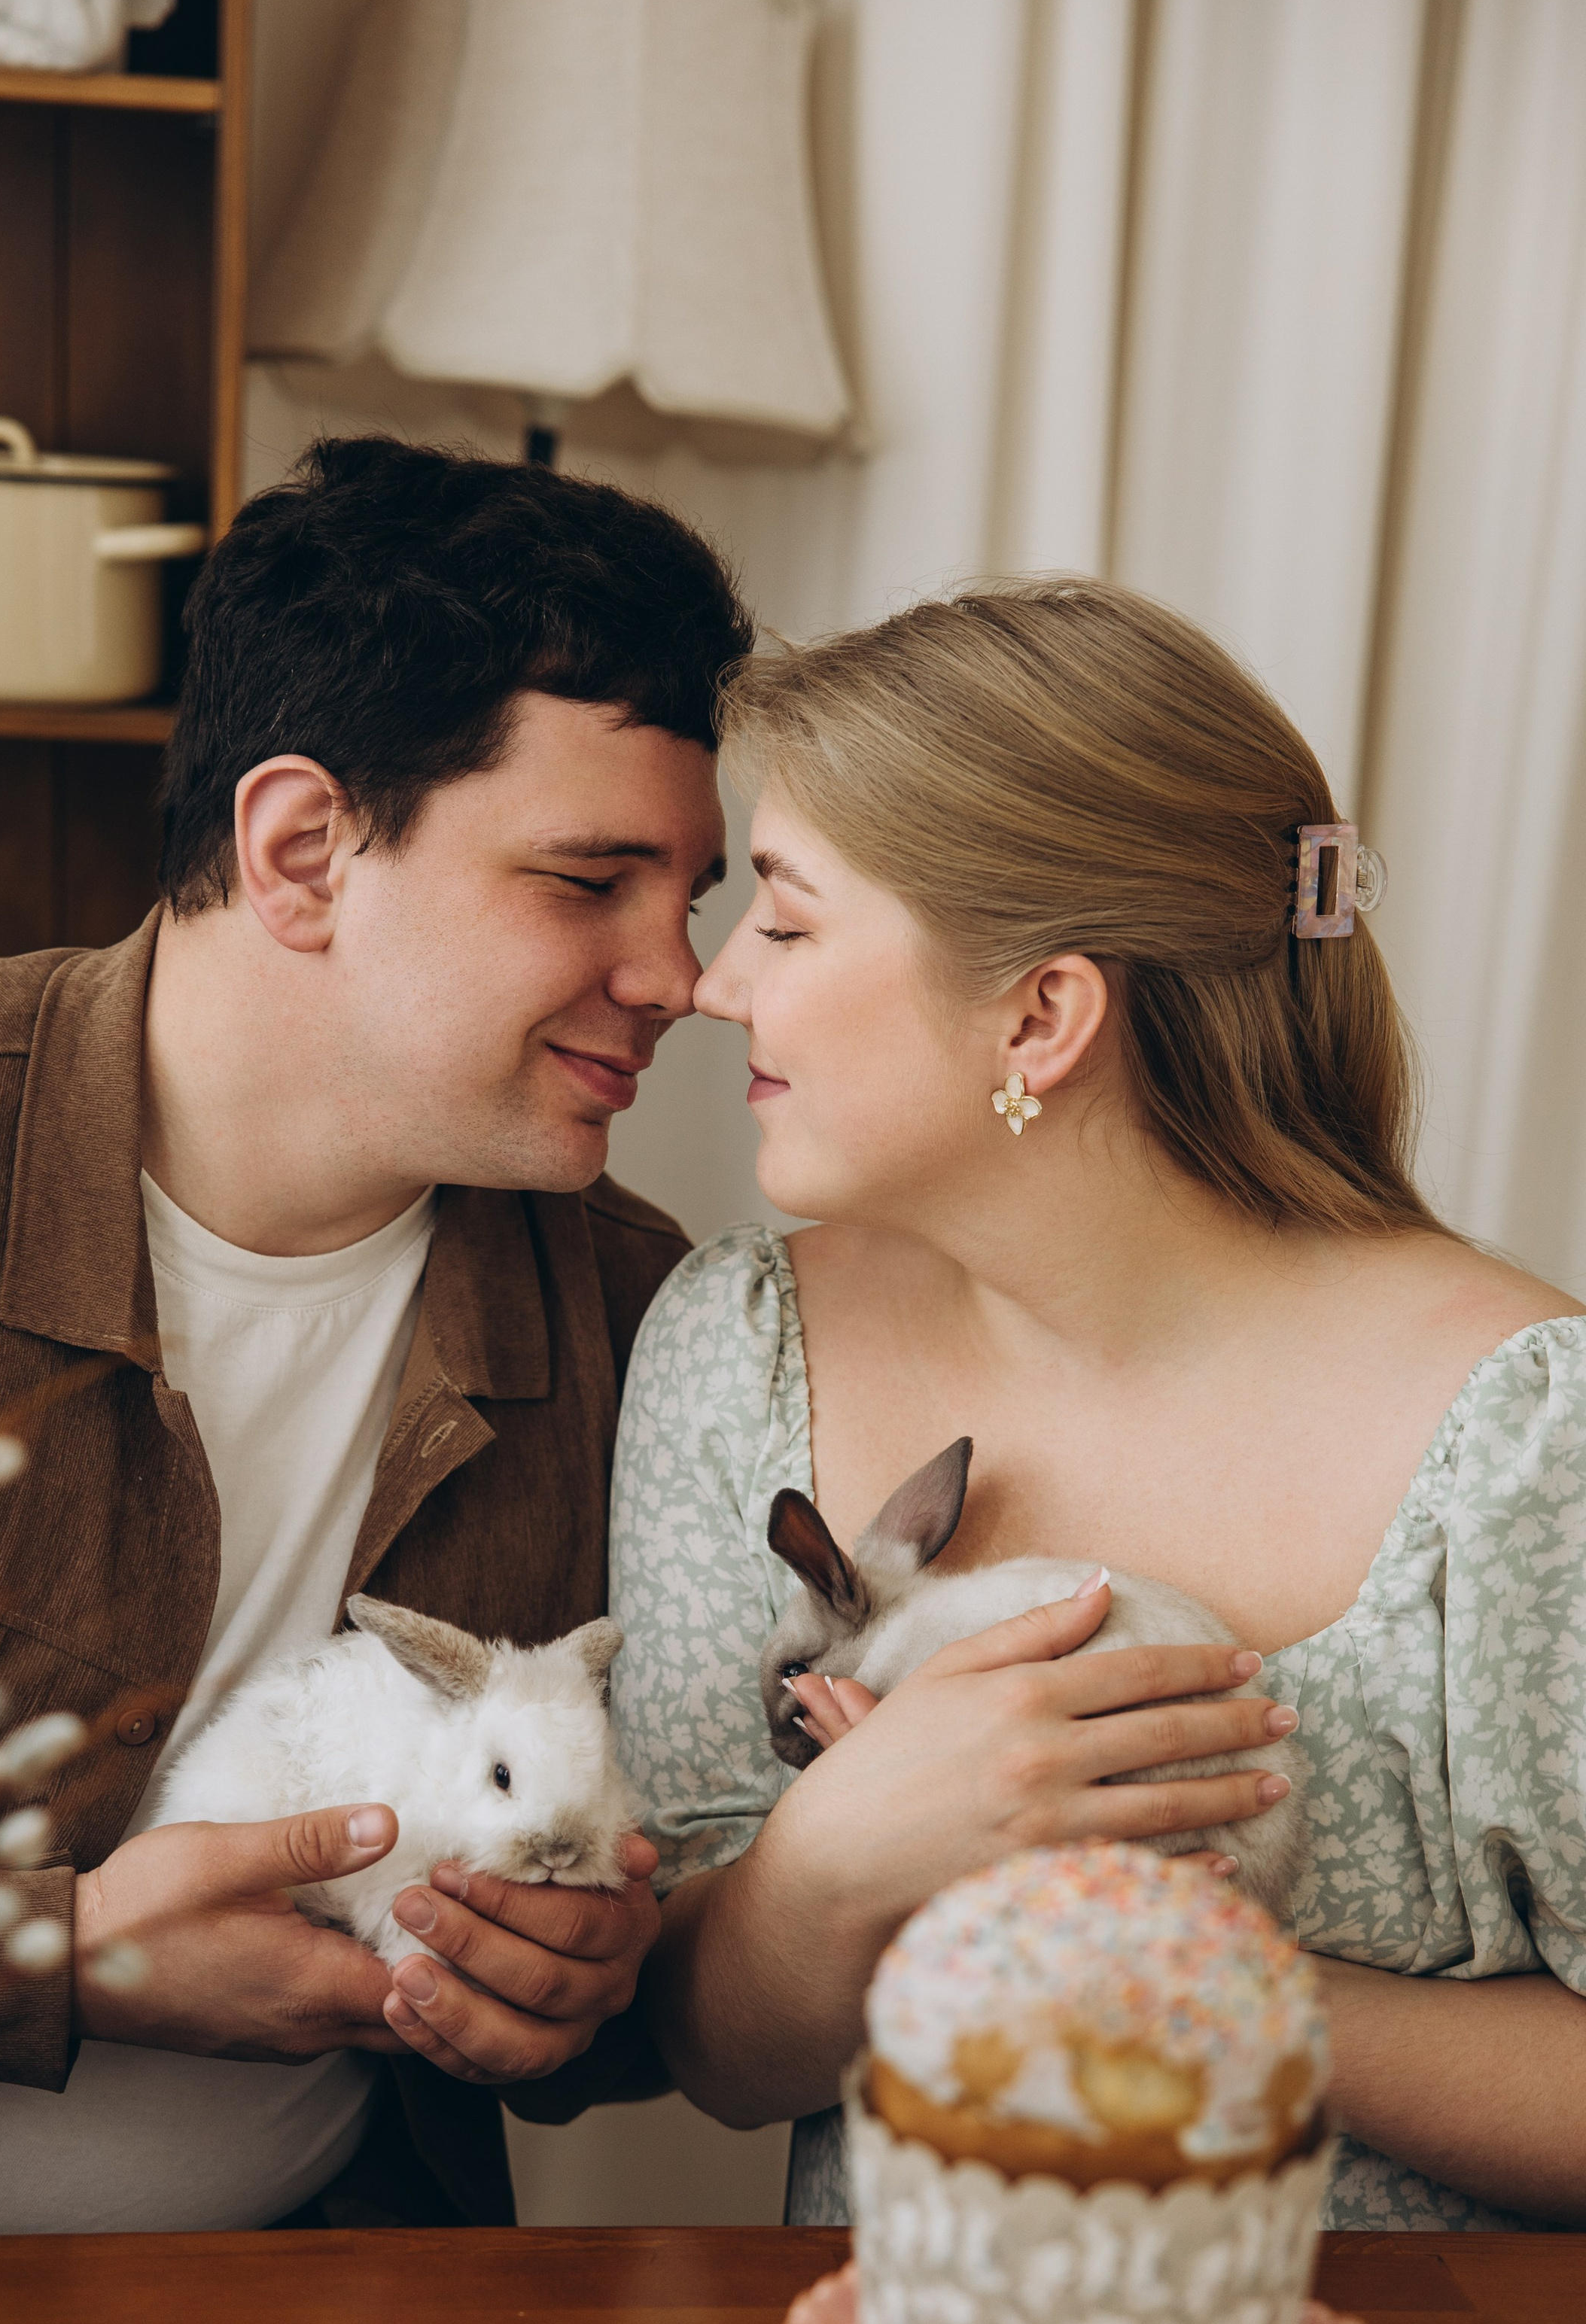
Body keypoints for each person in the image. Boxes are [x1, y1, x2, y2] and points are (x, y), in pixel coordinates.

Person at [0, 436, 749, 2232]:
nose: (681, 977)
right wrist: (53, 1952)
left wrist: (582, 1976)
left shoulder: (642, 1313)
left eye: (689, 896)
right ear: (303, 848)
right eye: (587, 882)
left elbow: (642, 1997)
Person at [613, 579, 1586, 2232]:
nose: (711, 988)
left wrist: (1175, 1968)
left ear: (1040, 1016)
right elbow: (711, 2046)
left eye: (780, 920)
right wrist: (840, 1859)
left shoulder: (1526, 1440)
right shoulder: (736, 1348)